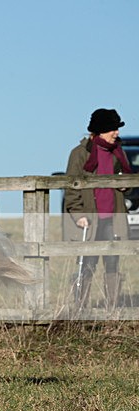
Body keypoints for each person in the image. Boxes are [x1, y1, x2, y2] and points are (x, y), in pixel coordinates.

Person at [63, 108, 133, 309]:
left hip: (113, 218)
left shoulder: (118, 153)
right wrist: (78, 215)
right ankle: (80, 309)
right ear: (101, 130)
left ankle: (112, 309)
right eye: (112, 129)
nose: (116, 133)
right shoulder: (79, 154)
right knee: (86, 264)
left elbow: (126, 181)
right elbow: (71, 186)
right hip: (90, 220)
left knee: (112, 264)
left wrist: (124, 184)